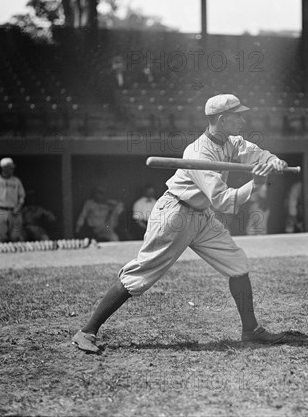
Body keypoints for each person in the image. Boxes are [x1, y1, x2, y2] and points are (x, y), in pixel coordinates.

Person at [72, 94, 290, 353]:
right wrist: (255, 183)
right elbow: (223, 201)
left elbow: (259, 154)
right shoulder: (198, 152)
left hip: (200, 216)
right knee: (140, 276)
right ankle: (87, 331)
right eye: (237, 116)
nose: (243, 120)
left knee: (238, 265)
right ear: (222, 119)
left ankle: (250, 330)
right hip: (175, 214)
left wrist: (273, 161)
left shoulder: (232, 142)